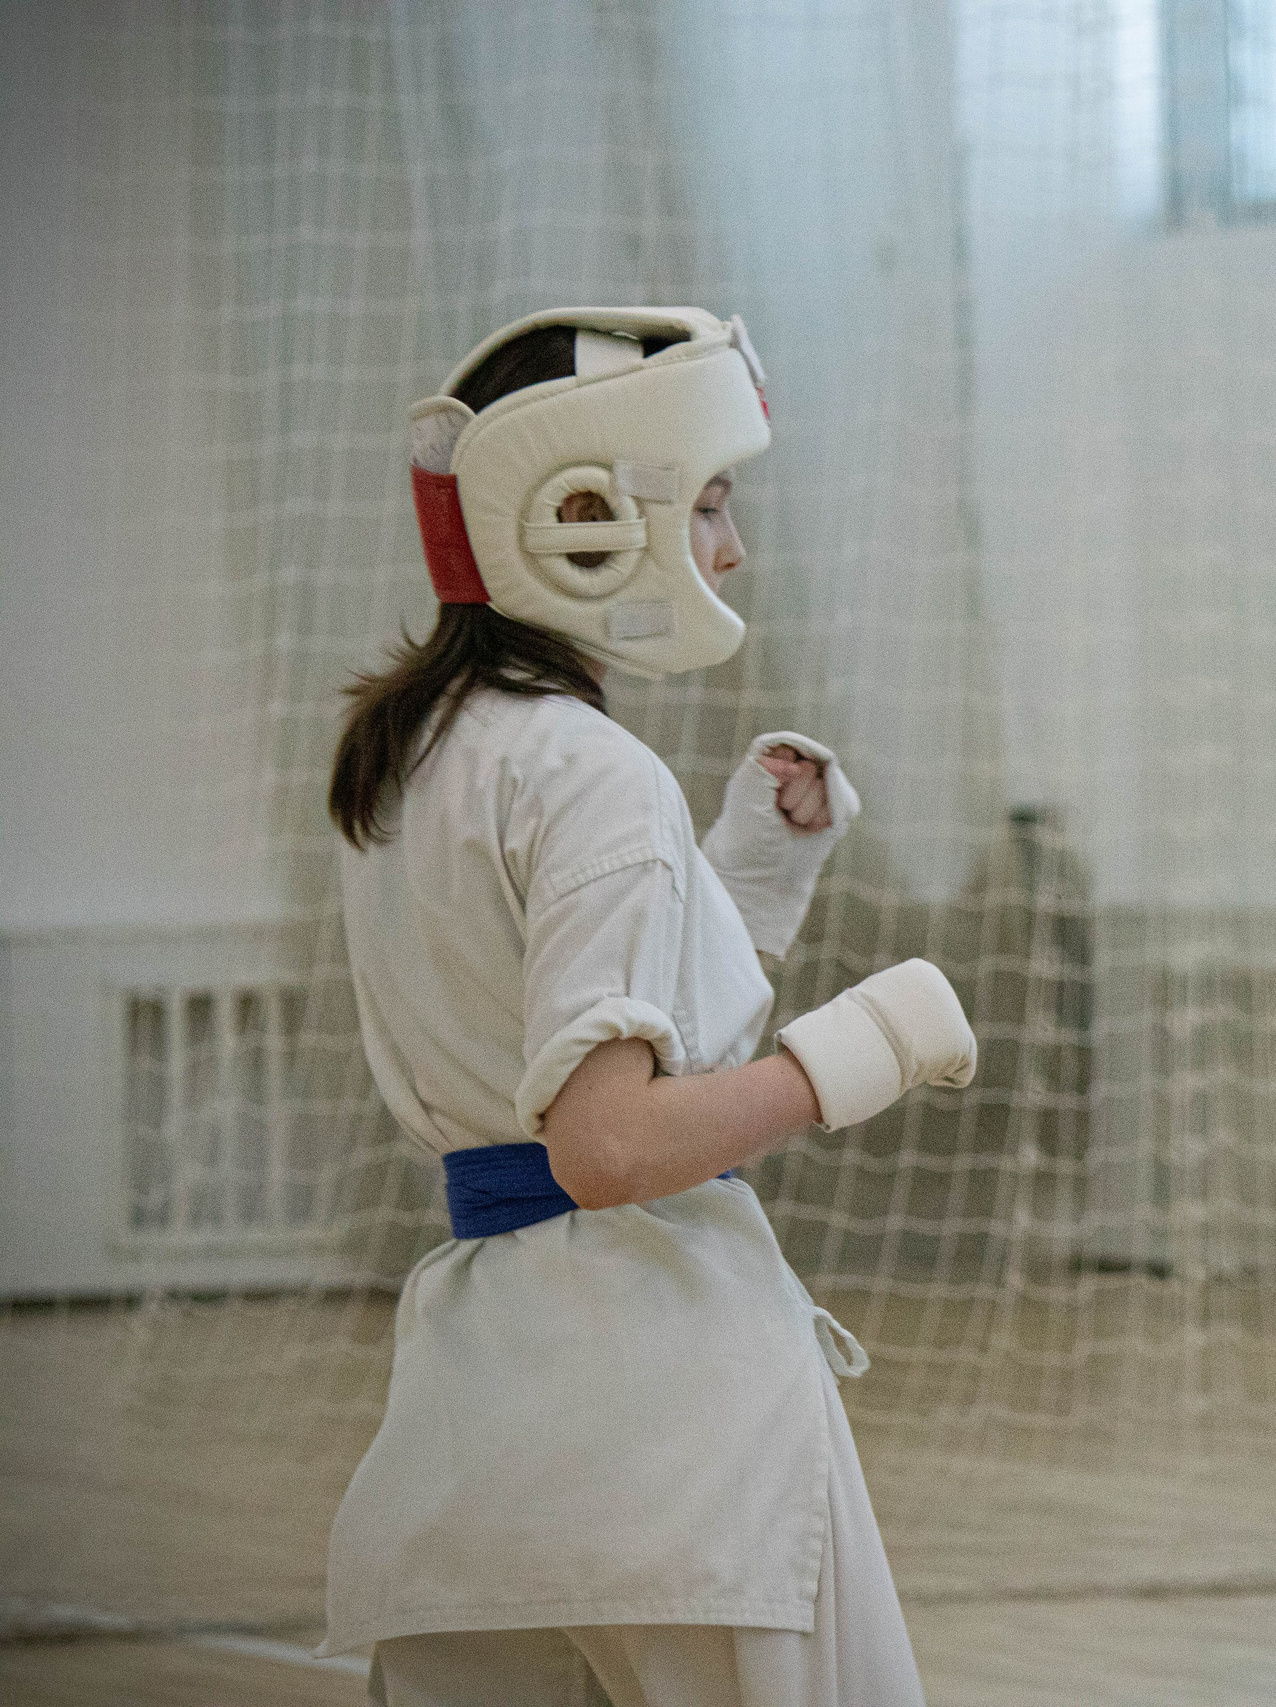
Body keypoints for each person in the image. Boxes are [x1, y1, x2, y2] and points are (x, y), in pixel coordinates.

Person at [316, 308, 977, 1706]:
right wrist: (848, 1053)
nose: (730, 546)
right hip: (670, 1404)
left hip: (480, 1412)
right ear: (583, 510)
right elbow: (606, 1146)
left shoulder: (414, 754)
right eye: (715, 500)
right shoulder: (587, 767)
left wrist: (741, 872)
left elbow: (542, 1033)